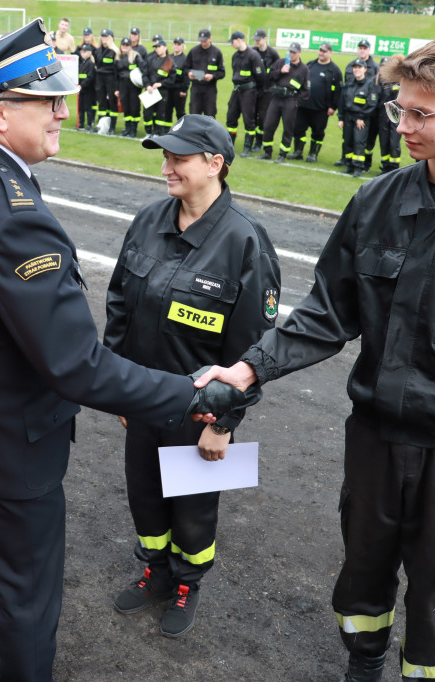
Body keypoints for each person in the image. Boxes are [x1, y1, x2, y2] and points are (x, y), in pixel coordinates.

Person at [0, 20, 252, 680]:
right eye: (47, 101)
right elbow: (77, 364)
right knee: (28, 598)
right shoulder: (15, 215)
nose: (64, 111)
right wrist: (194, 393)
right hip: (8, 441)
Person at [193, 38, 435, 682]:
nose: (405, 127)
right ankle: (362, 662)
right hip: (375, 439)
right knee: (362, 571)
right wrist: (247, 369)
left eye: (422, 114)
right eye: (400, 111)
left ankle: (421, 672)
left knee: (433, 591)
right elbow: (325, 314)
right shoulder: (376, 202)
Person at [105, 115, 281, 638]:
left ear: (214, 164)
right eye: (165, 157)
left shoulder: (245, 241)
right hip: (141, 398)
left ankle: (187, 583)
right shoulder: (149, 220)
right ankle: (154, 571)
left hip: (199, 410)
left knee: (193, 507)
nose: (166, 168)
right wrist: (116, 385)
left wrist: (223, 425)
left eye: (178, 158)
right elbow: (119, 305)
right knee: (145, 493)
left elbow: (256, 348)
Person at [289, 42, 341, 162]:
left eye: (324, 51)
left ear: (330, 53)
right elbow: (300, 82)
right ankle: (298, 151)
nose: (321, 53)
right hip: (303, 105)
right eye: (320, 50)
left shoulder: (334, 70)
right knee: (298, 129)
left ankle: (313, 153)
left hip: (321, 108)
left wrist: (333, 106)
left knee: (318, 132)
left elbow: (338, 91)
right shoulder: (310, 65)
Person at [259, 42, 308, 163]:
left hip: (290, 100)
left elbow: (306, 90)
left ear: (300, 53)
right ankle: (267, 151)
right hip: (276, 98)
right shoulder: (281, 62)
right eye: (290, 52)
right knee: (268, 125)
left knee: (288, 128)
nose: (292, 55)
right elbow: (269, 76)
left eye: (294, 52)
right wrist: (281, 72)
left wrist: (296, 101)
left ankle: (282, 154)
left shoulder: (304, 69)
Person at [337, 39, 379, 169]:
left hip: (364, 116)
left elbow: (373, 100)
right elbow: (343, 100)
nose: (356, 70)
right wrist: (341, 117)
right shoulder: (349, 82)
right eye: (355, 68)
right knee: (348, 141)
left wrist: (362, 116)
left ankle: (360, 166)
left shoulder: (374, 71)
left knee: (360, 141)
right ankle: (348, 163)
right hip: (349, 116)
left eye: (364, 48)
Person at [225, 31, 264, 157]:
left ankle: (247, 148)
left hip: (249, 91)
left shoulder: (253, 55)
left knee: (249, 120)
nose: (231, 44)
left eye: (232, 41)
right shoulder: (235, 56)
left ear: (239, 40)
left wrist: (255, 92)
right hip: (236, 90)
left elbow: (261, 76)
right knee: (231, 117)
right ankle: (229, 146)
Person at [251, 29, 280, 145]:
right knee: (252, 115)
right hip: (253, 89)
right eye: (255, 40)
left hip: (267, 90)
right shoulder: (253, 52)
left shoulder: (273, 53)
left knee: (263, 117)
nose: (257, 42)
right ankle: (251, 140)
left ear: (265, 39)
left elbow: (278, 70)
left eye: (259, 39)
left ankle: (259, 141)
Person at [186, 29, 224, 117]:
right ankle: (195, 131)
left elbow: (222, 72)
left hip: (210, 88)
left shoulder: (216, 52)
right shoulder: (193, 51)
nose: (203, 43)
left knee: (210, 114)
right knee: (194, 114)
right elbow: (186, 68)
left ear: (210, 38)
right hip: (196, 87)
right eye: (201, 40)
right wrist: (189, 73)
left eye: (205, 40)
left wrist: (213, 76)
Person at [375, 55, 403, 174]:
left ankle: (394, 166)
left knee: (394, 142)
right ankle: (385, 165)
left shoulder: (403, 79)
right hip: (383, 114)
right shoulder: (383, 79)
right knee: (384, 140)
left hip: (397, 115)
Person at [116, 37, 143, 137]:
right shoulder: (118, 57)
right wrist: (116, 88)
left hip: (134, 86)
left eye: (127, 45)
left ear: (130, 46)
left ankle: (133, 129)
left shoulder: (135, 56)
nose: (125, 47)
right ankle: (127, 128)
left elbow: (143, 69)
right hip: (122, 85)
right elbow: (116, 74)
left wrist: (144, 83)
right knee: (126, 107)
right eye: (123, 45)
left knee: (134, 107)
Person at [141, 39, 169, 136]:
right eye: (156, 47)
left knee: (160, 113)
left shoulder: (169, 61)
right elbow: (145, 74)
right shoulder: (150, 60)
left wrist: (162, 84)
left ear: (165, 47)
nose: (157, 49)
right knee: (147, 113)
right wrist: (147, 85)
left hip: (162, 92)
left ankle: (157, 133)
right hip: (150, 91)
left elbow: (172, 79)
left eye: (159, 47)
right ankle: (148, 133)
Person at [95, 29, 120, 134]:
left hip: (111, 79)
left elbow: (117, 69)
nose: (104, 38)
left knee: (112, 103)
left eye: (106, 36)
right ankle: (101, 126)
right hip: (100, 79)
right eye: (102, 36)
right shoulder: (98, 50)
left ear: (111, 38)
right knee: (101, 103)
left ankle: (112, 127)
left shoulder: (115, 51)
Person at [167, 37, 190, 124]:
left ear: (182, 46)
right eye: (175, 44)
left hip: (179, 89)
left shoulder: (185, 59)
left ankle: (183, 130)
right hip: (169, 88)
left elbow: (187, 76)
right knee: (167, 110)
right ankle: (167, 131)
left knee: (180, 112)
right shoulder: (169, 57)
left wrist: (184, 89)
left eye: (178, 44)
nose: (176, 46)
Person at [77, 42, 97, 130]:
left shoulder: (91, 64)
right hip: (80, 89)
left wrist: (82, 85)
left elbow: (90, 77)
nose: (83, 53)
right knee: (81, 107)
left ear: (90, 53)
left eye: (85, 52)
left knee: (88, 107)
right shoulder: (81, 63)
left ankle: (89, 123)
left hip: (88, 89)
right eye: (82, 52)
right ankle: (81, 123)